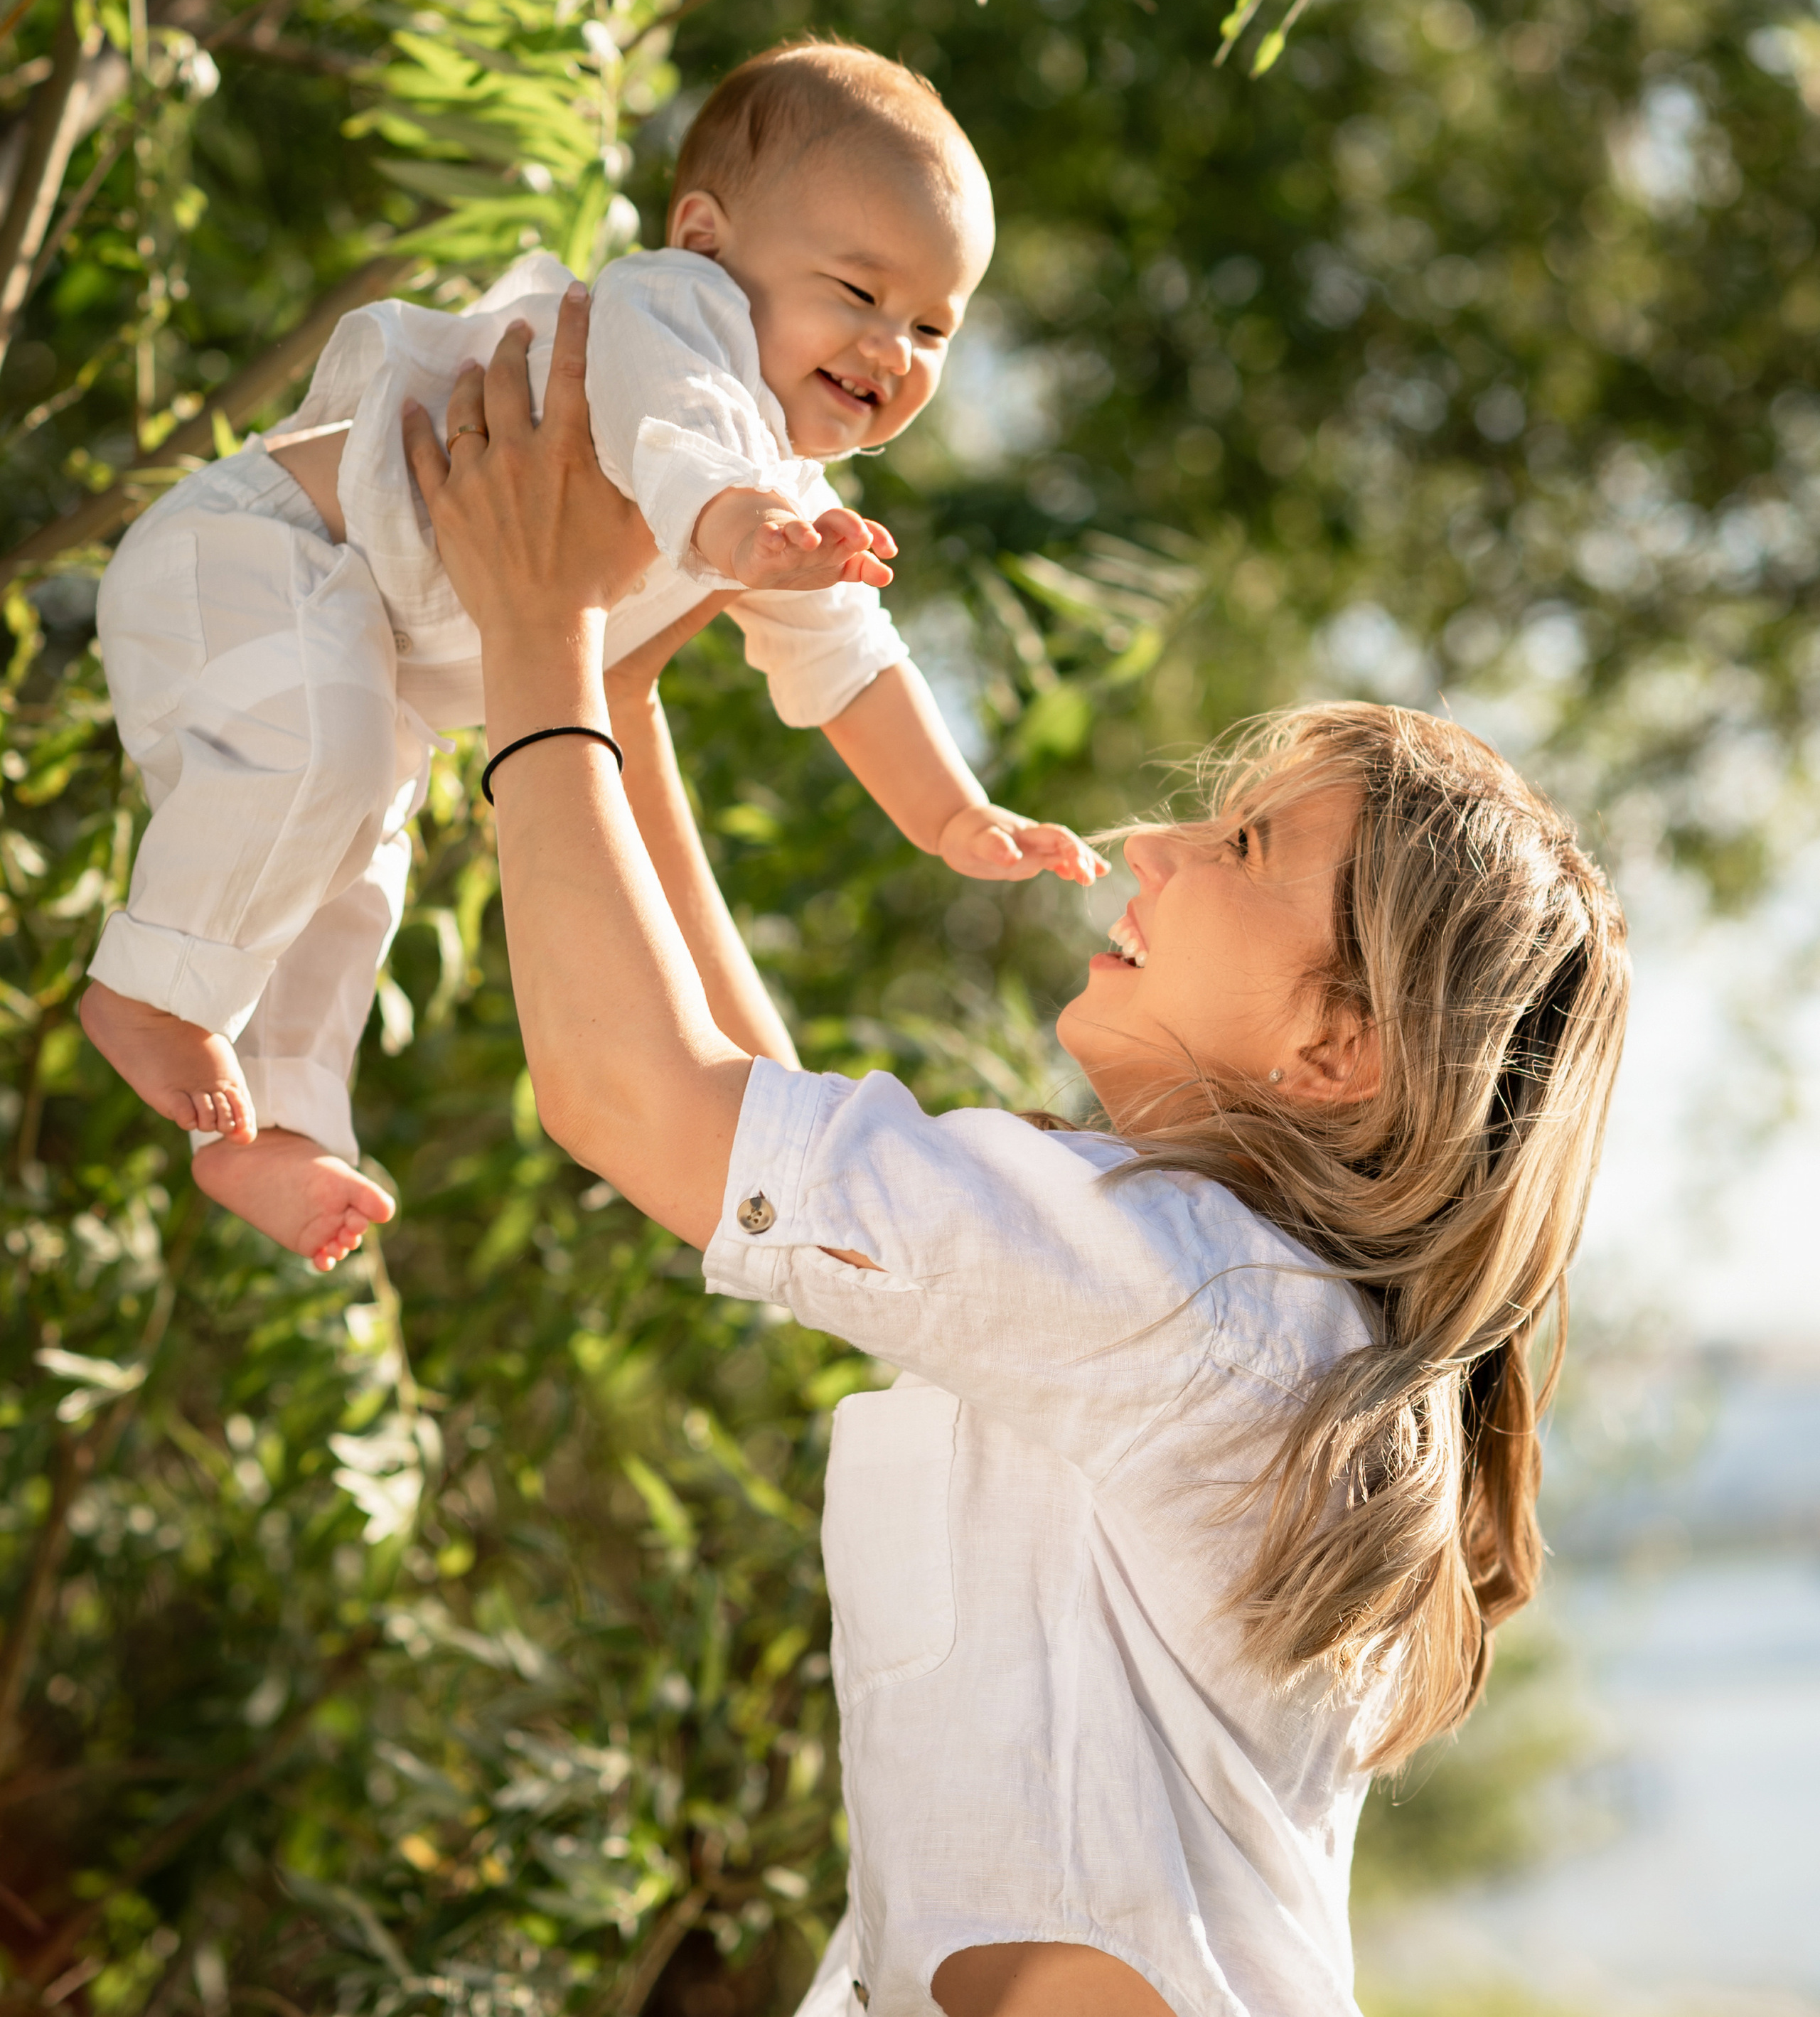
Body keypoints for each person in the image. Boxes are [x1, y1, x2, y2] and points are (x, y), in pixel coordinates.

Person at [399, 288, 1632, 2017]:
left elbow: (638, 1098)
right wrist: (614, 686)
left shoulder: (1191, 1293)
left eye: (1238, 844)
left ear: (1334, 1043)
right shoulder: (1205, 1297)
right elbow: (750, 1106)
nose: (1146, 844)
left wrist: (535, 644)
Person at [79, 43, 1101, 1271]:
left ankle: (276, 1124)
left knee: (351, 871)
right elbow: (675, 427)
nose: (894, 349)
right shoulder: (675, 311)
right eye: (859, 291)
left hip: (357, 642)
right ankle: (148, 992)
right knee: (329, 778)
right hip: (260, 556)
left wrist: (954, 813)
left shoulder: (784, 492)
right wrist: (738, 529)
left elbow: (851, 661)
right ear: (708, 237)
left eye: (933, 324)